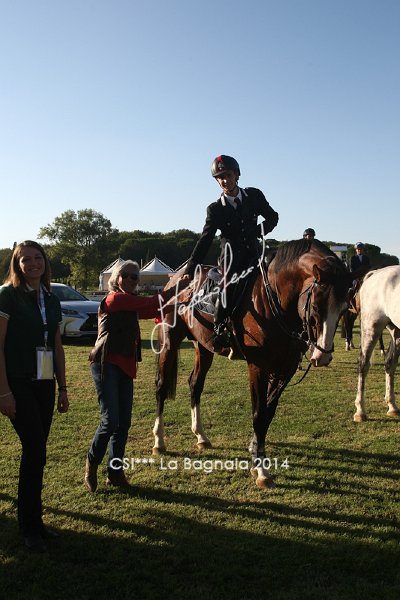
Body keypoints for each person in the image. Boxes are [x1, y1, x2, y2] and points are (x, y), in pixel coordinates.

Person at [84, 259, 185, 492]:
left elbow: (153, 309)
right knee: (110, 421)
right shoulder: (115, 299)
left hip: (125, 366)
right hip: (106, 364)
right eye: (127, 275)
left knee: (123, 424)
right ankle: (91, 462)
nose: (132, 279)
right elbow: (150, 303)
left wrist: (181, 302)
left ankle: (115, 473)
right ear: (116, 278)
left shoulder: (129, 303)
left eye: (135, 277)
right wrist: (176, 288)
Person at [0, 241, 69, 553]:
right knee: (35, 449)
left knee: (38, 452)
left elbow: (56, 345)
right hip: (17, 382)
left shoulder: (51, 298)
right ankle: (28, 527)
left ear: (45, 262)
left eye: (37, 258)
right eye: (25, 259)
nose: (32, 264)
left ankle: (36, 523)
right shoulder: (8, 296)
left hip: (44, 382)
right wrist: (4, 392)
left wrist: (63, 387)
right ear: (17, 264)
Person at [182, 155, 279, 351]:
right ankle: (220, 329)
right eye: (220, 177)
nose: (224, 181)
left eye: (227, 175)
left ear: (237, 174)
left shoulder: (254, 195)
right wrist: (190, 268)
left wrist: (258, 231)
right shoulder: (215, 209)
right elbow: (205, 240)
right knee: (227, 285)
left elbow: (273, 217)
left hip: (255, 252)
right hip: (231, 257)